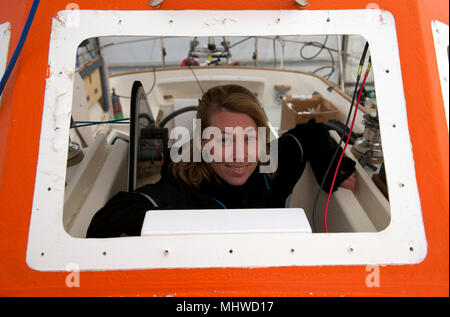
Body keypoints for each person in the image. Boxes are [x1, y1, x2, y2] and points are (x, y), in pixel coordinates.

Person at [86, 84, 356, 238]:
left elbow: (311, 132)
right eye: (224, 140)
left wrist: (335, 170)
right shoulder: (181, 187)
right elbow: (107, 220)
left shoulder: (271, 162)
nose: (239, 154)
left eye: (249, 138)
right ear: (203, 142)